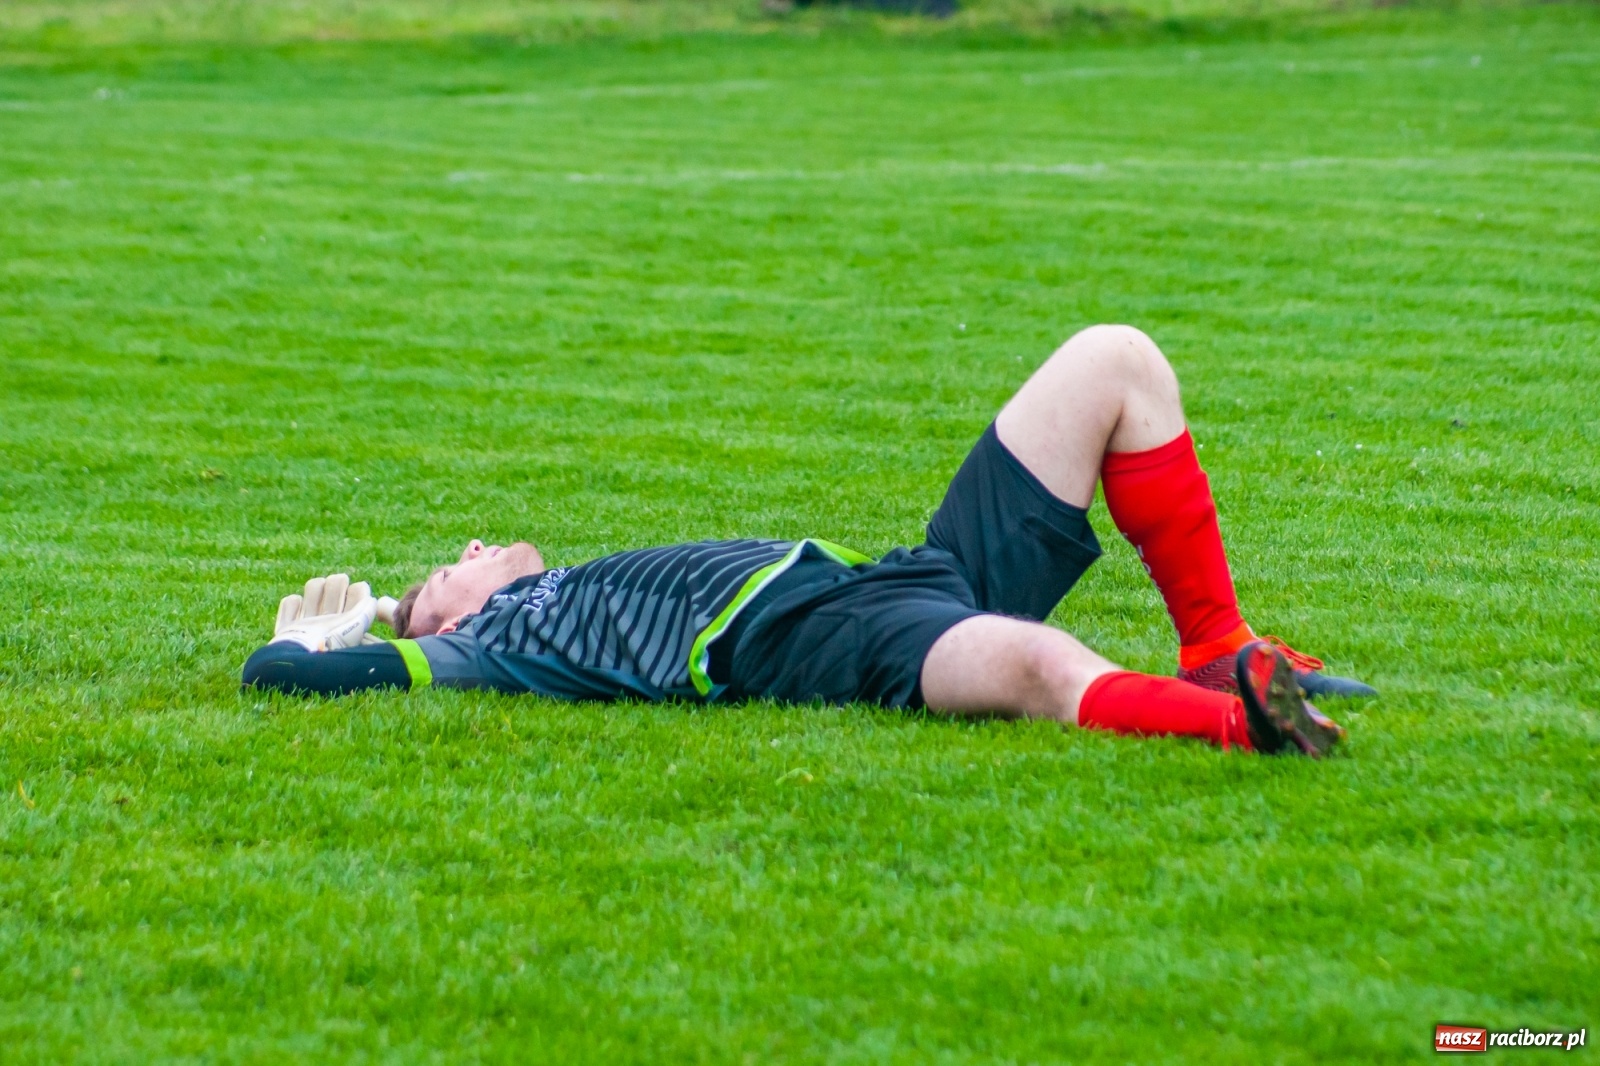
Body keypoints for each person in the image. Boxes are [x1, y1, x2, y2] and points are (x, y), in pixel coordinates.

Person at [244, 325, 1374, 757]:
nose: (474, 548)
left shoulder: (544, 597)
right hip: (842, 644)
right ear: (456, 616)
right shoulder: (505, 642)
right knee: (1039, 669)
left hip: (911, 576)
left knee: (1113, 362)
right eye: (446, 570)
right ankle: (1246, 721)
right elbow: (294, 674)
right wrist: (316, 645)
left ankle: (1214, 645)